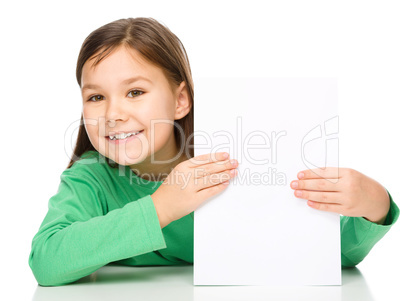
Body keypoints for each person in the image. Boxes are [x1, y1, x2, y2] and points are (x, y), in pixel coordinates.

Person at [28, 17, 399, 287]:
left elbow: (331, 258)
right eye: (96, 97)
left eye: (135, 92)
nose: (113, 114)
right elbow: (47, 262)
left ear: (180, 100)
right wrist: (162, 206)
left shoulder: (230, 162)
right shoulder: (90, 176)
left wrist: (374, 203)